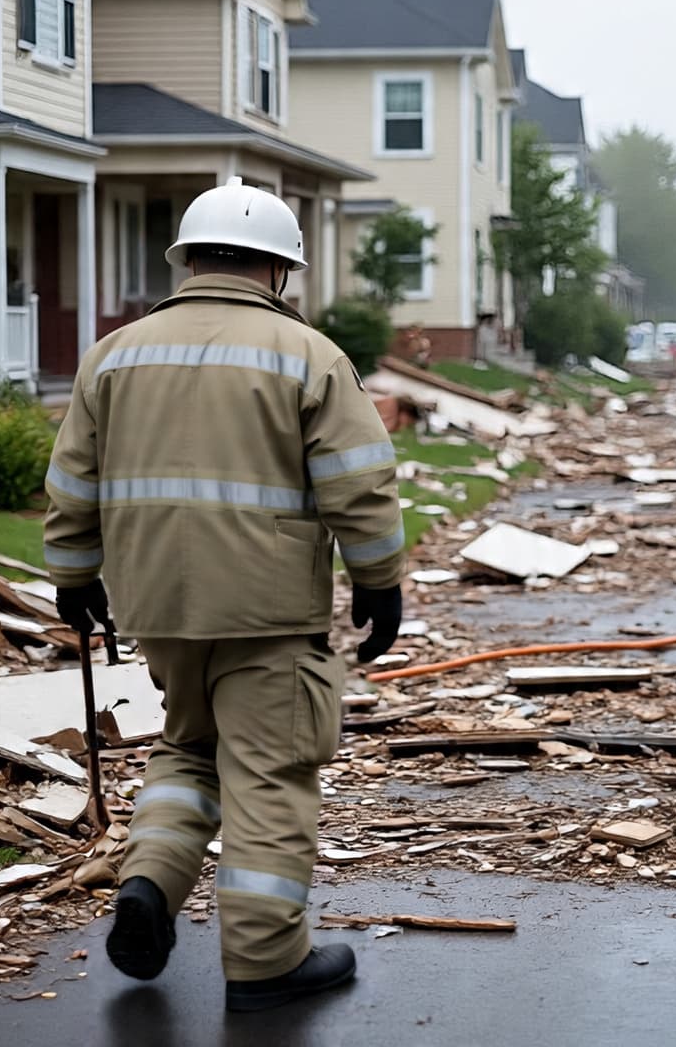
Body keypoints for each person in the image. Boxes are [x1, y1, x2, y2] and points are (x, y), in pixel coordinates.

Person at [44, 178, 406, 1011]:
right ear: (278, 270)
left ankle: (148, 885)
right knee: (271, 771)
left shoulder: (114, 353)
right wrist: (379, 583)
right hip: (268, 611)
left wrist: (73, 576)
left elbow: (71, 482)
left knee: (189, 747)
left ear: (188, 260)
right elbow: (359, 484)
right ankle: (265, 958)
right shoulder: (307, 355)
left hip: (156, 604)